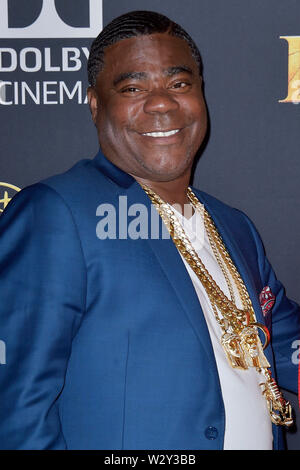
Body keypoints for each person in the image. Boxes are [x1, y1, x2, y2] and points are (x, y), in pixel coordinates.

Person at [0, 10, 299, 450]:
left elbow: (283, 337)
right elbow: (18, 410)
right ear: (95, 104)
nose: (162, 102)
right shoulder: (56, 213)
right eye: (134, 88)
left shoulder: (233, 226)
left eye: (179, 84)